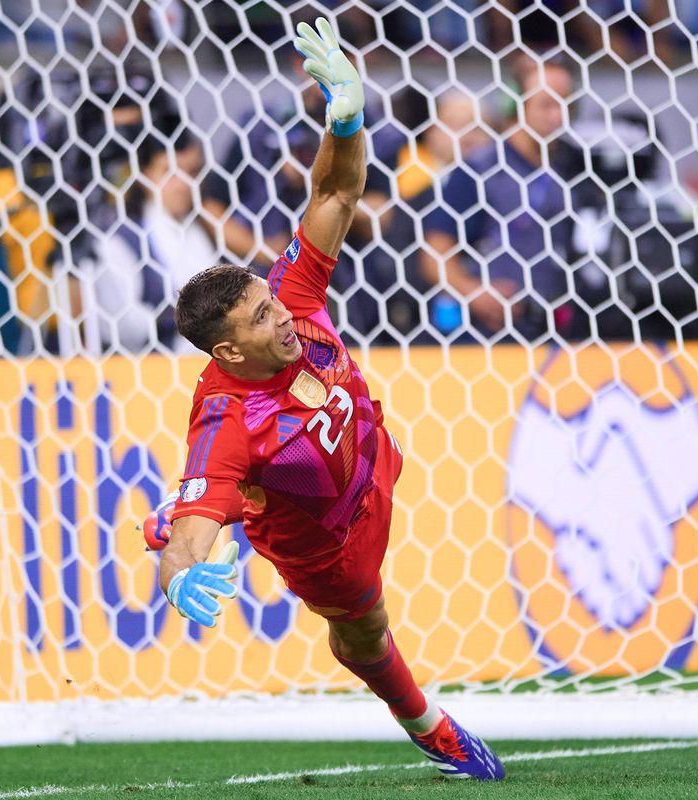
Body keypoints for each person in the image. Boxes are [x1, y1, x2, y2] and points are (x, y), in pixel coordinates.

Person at [146, 18, 505, 781]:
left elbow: (336, 191)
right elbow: (192, 543)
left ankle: (202, 500)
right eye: (261, 319)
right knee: (364, 633)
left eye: (270, 301)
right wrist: (178, 572)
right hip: (326, 540)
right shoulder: (227, 424)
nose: (283, 317)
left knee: (225, 497)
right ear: (227, 352)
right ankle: (429, 726)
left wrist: (345, 122)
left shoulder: (292, 296)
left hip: (372, 457)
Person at [421, 56, 579, 340]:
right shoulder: (480, 170)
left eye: (565, 104)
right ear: (515, 104)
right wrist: (474, 293)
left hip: (554, 334)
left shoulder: (573, 167)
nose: (558, 116)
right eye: (546, 105)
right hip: (486, 337)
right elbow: (434, 254)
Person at [92, 130, 217, 354]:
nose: (183, 184)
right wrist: (179, 318)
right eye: (169, 172)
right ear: (145, 174)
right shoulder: (121, 240)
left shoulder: (203, 230)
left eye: (192, 172)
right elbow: (120, 327)